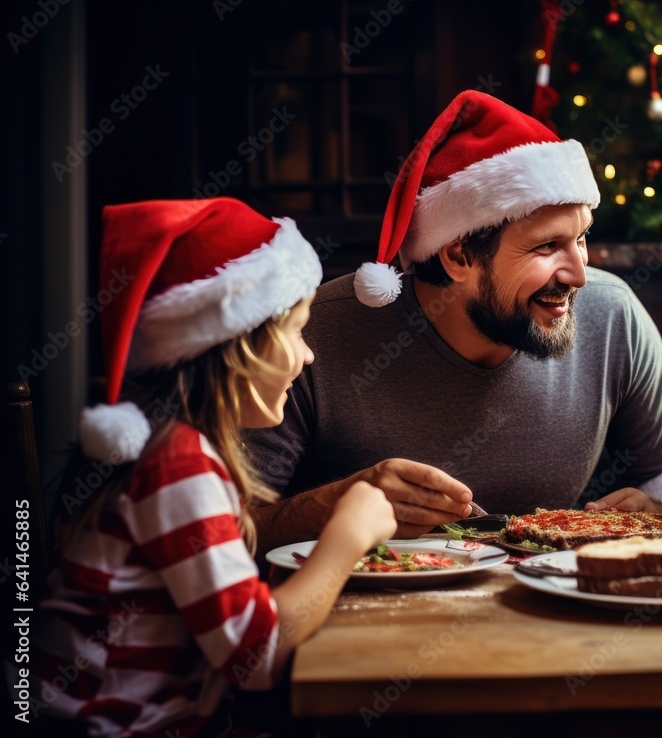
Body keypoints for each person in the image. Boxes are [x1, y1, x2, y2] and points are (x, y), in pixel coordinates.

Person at [245, 89, 662, 551]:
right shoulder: (310, 338)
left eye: (581, 237)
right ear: (459, 256)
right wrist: (332, 508)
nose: (580, 275)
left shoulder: (612, 314)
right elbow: (218, 537)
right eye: (546, 247)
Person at [34, 198, 397, 736]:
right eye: (297, 333)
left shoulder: (174, 452)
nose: (309, 356)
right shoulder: (177, 465)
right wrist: (348, 532)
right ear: (239, 348)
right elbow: (256, 657)